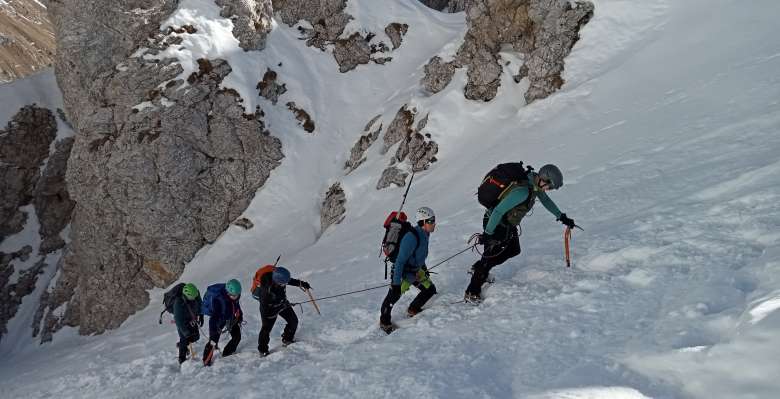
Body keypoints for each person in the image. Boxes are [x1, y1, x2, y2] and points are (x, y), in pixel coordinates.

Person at [465, 164, 576, 302]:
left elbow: (546, 201)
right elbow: (498, 211)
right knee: (489, 256)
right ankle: (472, 291)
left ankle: (479, 268)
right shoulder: (522, 191)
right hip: (495, 223)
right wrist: (488, 233)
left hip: (507, 225)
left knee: (513, 250)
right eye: (550, 186)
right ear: (543, 179)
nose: (549, 190)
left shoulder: (534, 186)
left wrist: (562, 217)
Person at [379, 206, 437, 334]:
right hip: (403, 273)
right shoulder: (411, 237)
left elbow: (419, 255)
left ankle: (413, 309)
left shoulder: (425, 234)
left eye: (433, 220)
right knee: (393, 296)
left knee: (430, 289)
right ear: (422, 222)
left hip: (416, 271)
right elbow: (400, 261)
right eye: (430, 221)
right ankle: (384, 321)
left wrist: (424, 269)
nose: (434, 223)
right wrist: (395, 283)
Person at [252, 266, 311, 356]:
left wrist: (301, 283)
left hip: (282, 303)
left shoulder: (279, 278)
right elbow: (267, 309)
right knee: (266, 329)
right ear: (277, 282)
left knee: (293, 321)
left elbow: (289, 280)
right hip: (269, 309)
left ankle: (287, 339)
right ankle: (263, 350)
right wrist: (279, 308)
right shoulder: (266, 291)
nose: (285, 284)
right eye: (284, 283)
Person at [201, 279, 243, 366]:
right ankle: (206, 361)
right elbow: (213, 318)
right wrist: (213, 332)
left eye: (237, 295)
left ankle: (227, 354)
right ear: (228, 293)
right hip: (219, 320)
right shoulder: (219, 301)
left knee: (237, 336)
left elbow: (236, 305)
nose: (236, 297)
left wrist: (240, 316)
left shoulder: (235, 295)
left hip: (231, 317)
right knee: (213, 342)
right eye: (234, 296)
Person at [173, 283, 203, 364]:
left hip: (192, 318)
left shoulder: (195, 294)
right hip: (183, 322)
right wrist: (186, 333)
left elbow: (200, 304)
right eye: (192, 297)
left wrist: (201, 315)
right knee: (184, 338)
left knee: (196, 336)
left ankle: (181, 344)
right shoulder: (178, 303)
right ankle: (181, 358)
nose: (194, 299)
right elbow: (179, 320)